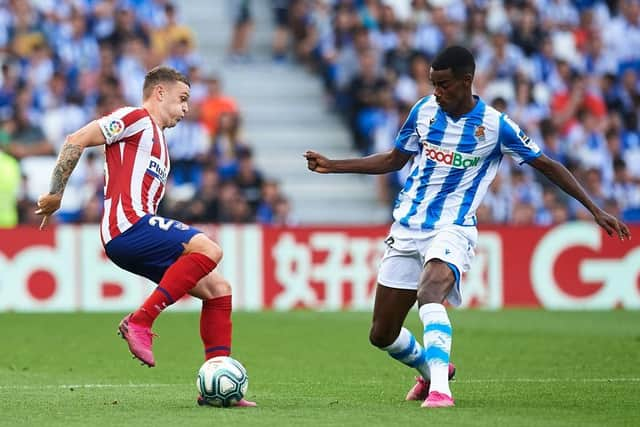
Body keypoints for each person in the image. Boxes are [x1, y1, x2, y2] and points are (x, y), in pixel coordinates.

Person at [304, 46, 631, 408]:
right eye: (433, 84)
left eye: (443, 85)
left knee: (430, 293)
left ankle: (442, 391)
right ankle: (431, 373)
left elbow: (547, 164)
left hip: (454, 227)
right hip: (408, 227)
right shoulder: (424, 111)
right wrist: (334, 165)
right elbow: (395, 159)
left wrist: (594, 208)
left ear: (466, 81)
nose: (437, 92)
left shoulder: (495, 126)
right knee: (382, 334)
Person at [34, 66, 255, 407]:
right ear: (159, 93)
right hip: (126, 227)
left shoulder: (160, 145)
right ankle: (141, 320)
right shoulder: (135, 118)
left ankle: (214, 384)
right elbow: (75, 140)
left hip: (138, 230)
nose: (185, 109)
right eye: (182, 100)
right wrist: (56, 194)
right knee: (209, 249)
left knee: (218, 290)